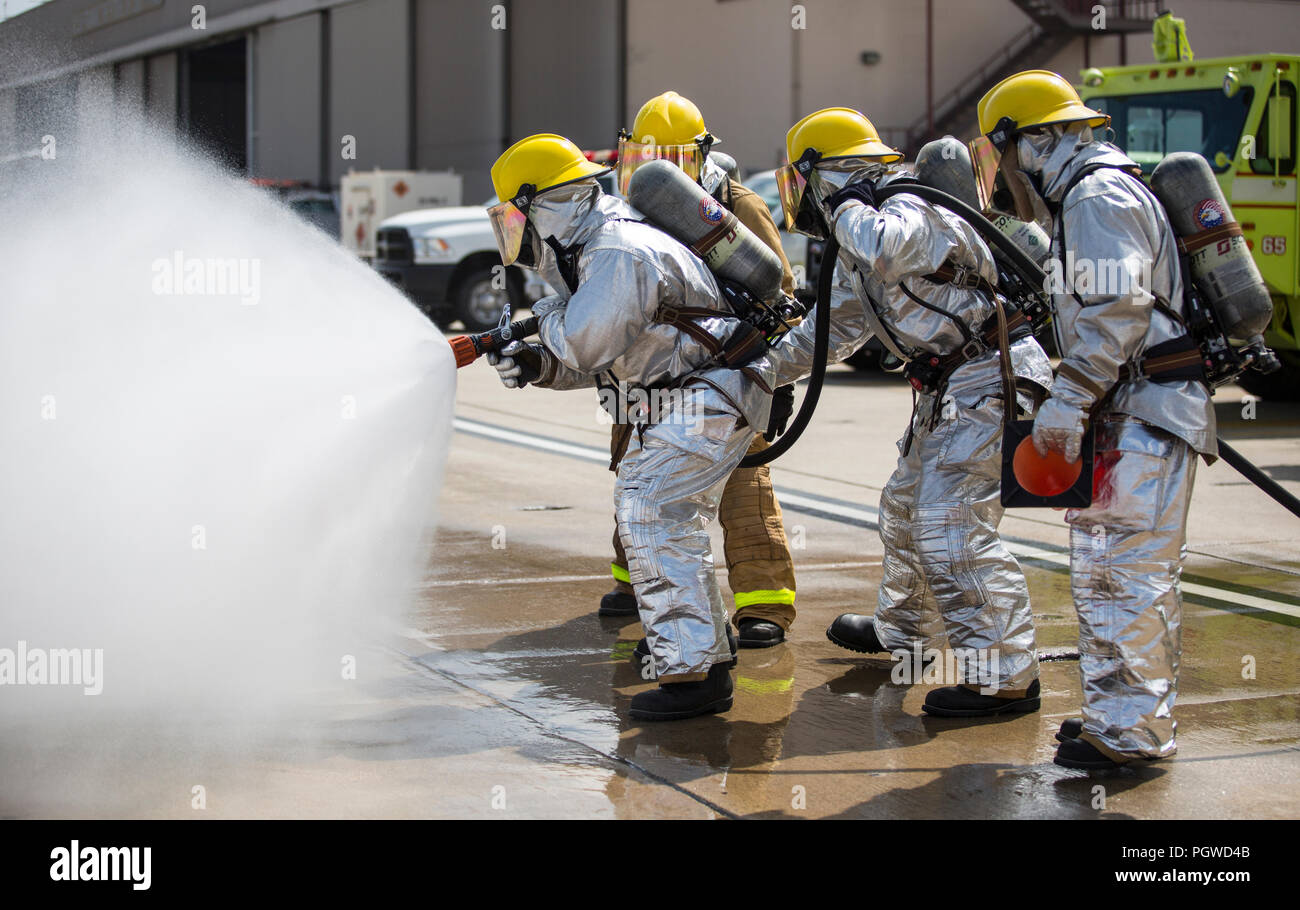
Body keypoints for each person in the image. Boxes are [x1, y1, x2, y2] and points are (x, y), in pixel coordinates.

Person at [483, 133, 776, 720]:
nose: (514, 232)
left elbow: (588, 345)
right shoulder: (597, 247)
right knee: (667, 520)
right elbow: (616, 360)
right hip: (695, 397)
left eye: (515, 215)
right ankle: (705, 659)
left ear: (543, 205)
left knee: (649, 510)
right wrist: (540, 365)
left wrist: (540, 320)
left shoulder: (616, 250)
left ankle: (695, 676)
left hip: (706, 398)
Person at [774, 107, 1053, 716]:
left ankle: (1004, 677)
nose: (803, 201)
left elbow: (888, 249)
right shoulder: (862, 241)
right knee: (903, 510)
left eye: (804, 183)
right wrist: (749, 372)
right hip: (949, 389)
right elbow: (832, 332)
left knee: (950, 527)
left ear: (827, 175)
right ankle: (904, 635)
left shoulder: (909, 209)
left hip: (992, 376)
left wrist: (845, 203)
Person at [973, 70, 1214, 768]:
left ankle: (1133, 736)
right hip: (1130, 409)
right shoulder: (1091, 192)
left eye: (1005, 150)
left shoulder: (1097, 194)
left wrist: (1069, 400)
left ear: (1038, 140)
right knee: (1105, 572)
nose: (1006, 169)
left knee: (1129, 577)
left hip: (1143, 409)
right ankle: (1117, 717)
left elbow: (1117, 310)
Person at [602, 91, 799, 650]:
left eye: (675, 160)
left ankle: (764, 604)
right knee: (636, 471)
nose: (660, 174)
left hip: (725, 371)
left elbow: (779, 292)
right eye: (646, 160)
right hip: (649, 370)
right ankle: (634, 584)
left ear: (703, 155)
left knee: (745, 485)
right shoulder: (628, 208)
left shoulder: (735, 205)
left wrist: (771, 375)